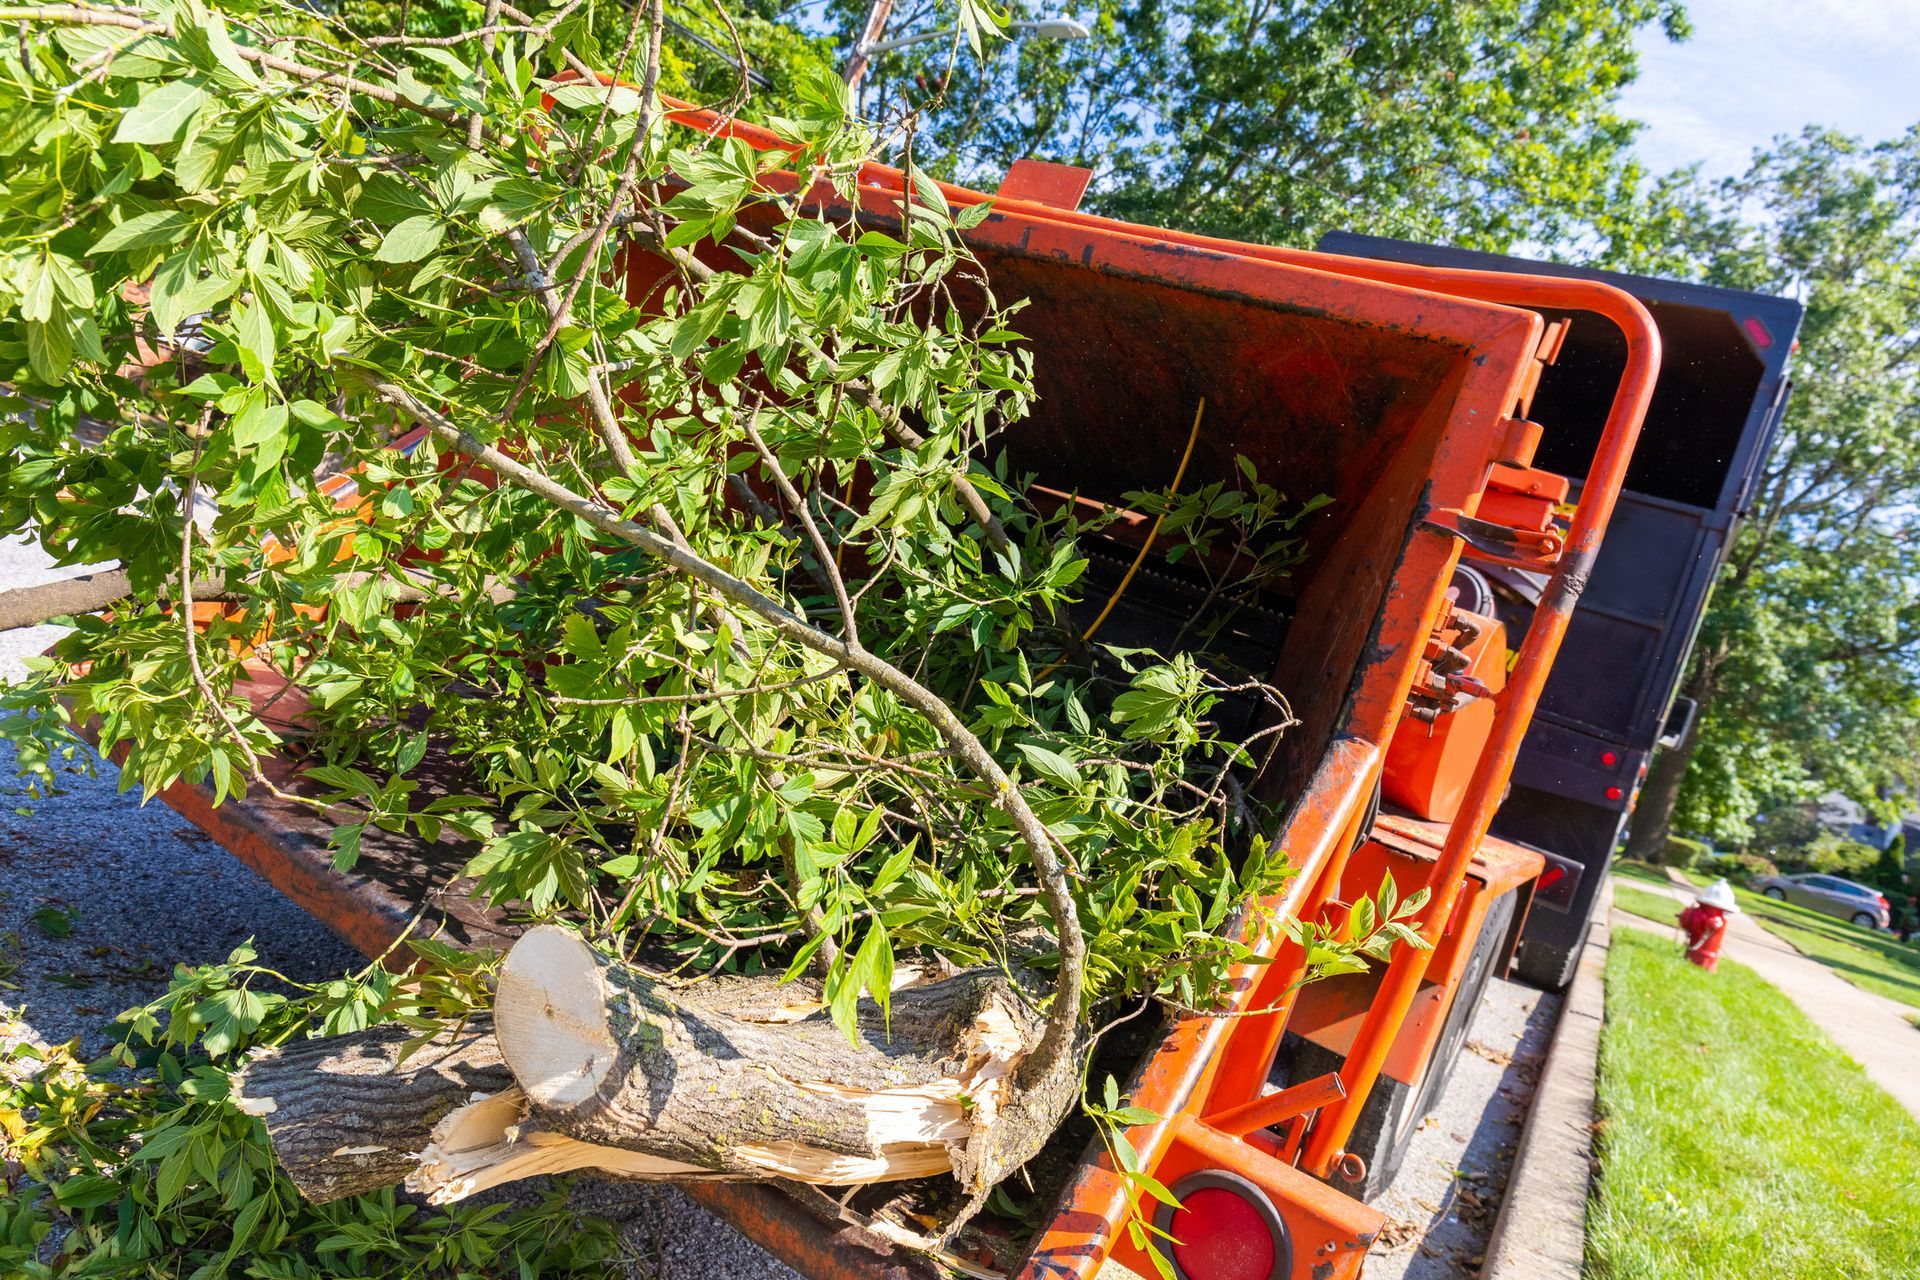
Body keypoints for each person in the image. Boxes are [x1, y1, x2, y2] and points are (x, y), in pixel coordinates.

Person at [1677, 879, 1739, 972]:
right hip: (1699, 946)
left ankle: (1697, 959)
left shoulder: (1716, 920)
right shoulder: (1718, 918)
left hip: (1698, 947)